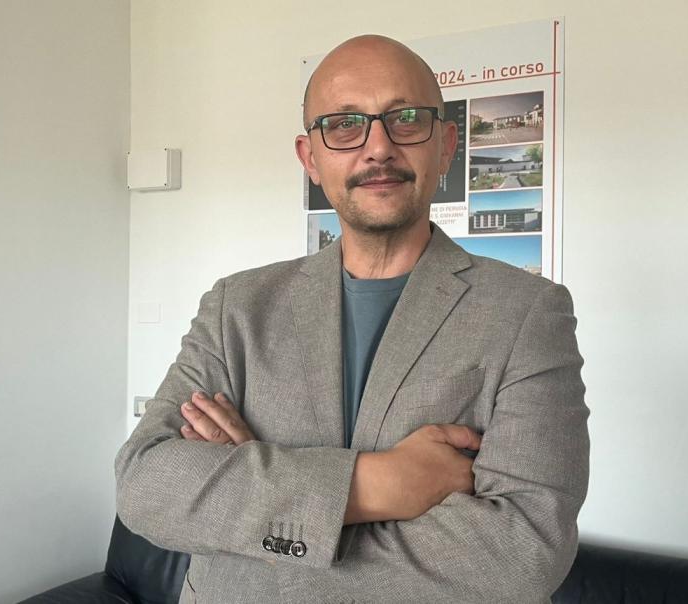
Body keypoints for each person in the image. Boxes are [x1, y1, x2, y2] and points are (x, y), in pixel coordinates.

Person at [115, 34, 589, 604]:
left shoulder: (527, 312)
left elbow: (524, 553)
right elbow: (146, 484)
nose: (378, 148)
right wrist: (378, 485)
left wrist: (251, 511)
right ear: (310, 158)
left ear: (446, 145)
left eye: (406, 120)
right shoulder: (235, 306)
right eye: (344, 125)